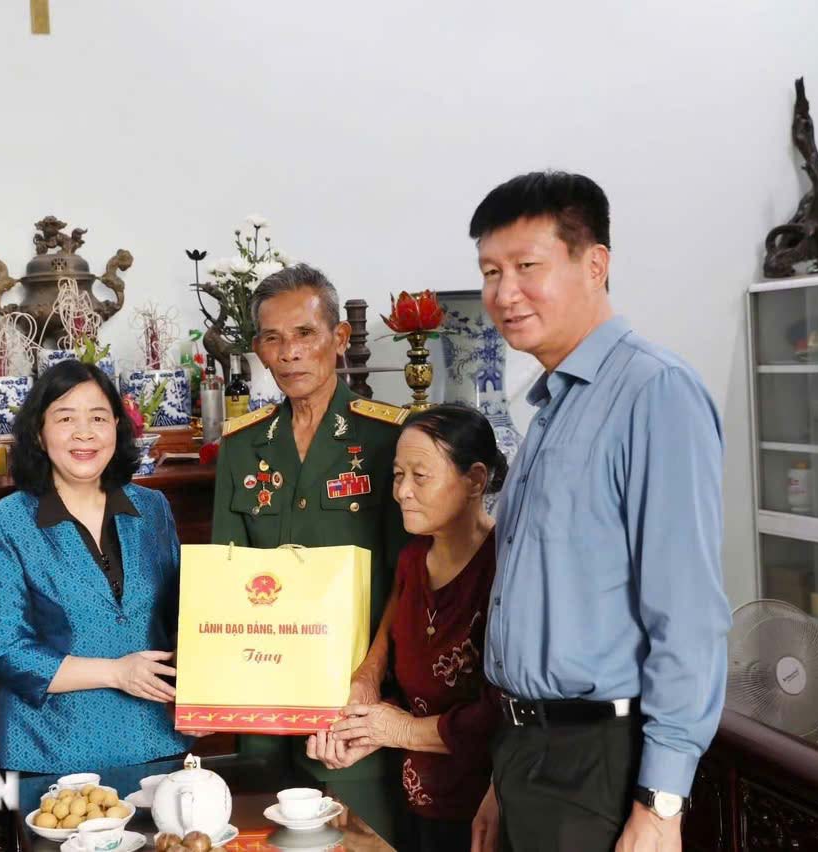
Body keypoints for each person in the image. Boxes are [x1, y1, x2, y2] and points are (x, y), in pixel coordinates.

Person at [465, 171, 731, 852]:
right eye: (491, 271)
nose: (504, 294)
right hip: (529, 752)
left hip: (602, 764)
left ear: (595, 264)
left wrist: (661, 803)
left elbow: (689, 616)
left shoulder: (654, 393)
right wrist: (505, 773)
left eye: (528, 267)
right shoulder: (556, 404)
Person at [210, 263, 412, 842]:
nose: (290, 353)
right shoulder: (243, 445)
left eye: (305, 334)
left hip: (351, 697)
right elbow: (227, 574)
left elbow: (409, 577)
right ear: (258, 350)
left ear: (339, 339)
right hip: (262, 698)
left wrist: (368, 678)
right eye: (273, 339)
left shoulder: (388, 437)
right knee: (262, 832)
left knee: (357, 834)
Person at [0, 360, 190, 774]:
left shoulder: (152, 508)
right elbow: (6, 651)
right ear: (39, 432)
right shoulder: (1, 524)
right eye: (65, 418)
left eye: (98, 418)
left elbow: (185, 618)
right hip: (52, 751)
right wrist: (117, 672)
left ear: (117, 429)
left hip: (159, 739)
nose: (84, 433)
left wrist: (205, 698)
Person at [321, 404, 505, 852]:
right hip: (413, 804)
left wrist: (396, 730)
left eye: (420, 476)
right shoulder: (411, 561)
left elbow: (502, 715)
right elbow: (408, 689)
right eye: (398, 475)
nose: (402, 491)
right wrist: (362, 731)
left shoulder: (504, 566)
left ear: (475, 480)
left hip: (488, 812)